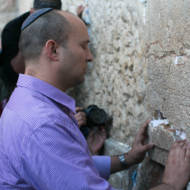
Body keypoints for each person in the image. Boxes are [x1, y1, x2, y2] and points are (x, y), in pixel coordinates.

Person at [0, 8, 189, 190]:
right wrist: (171, 184)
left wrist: (127, 159)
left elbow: (66, 166)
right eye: (83, 46)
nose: (90, 57)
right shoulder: (42, 124)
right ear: (53, 50)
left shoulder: (24, 101)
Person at [0, 0, 62, 115]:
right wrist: (29, 35)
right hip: (13, 84)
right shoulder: (12, 29)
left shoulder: (58, 24)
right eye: (42, 18)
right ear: (32, 12)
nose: (46, 23)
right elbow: (14, 70)